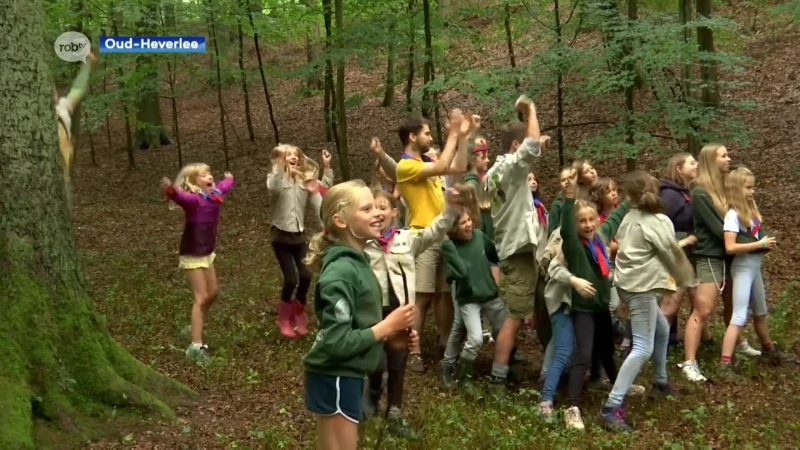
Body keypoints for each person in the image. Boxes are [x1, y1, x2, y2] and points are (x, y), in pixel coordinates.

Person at [302, 180, 418, 450]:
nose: (377, 213)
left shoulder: (359, 263)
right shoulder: (341, 271)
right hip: (335, 376)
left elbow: (357, 327)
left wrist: (391, 339)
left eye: (377, 208)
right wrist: (387, 326)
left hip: (346, 374)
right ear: (340, 221)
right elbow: (337, 341)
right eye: (366, 209)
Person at [362, 187, 461, 436]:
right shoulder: (361, 245)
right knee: (376, 362)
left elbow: (434, 231)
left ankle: (394, 412)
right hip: (374, 312)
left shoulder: (406, 239)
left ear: (395, 212)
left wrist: (450, 208)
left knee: (397, 364)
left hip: (402, 311)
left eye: (383, 207)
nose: (378, 213)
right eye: (372, 208)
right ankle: (372, 394)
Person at [375, 113, 469, 372]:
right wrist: (452, 133)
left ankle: (443, 343)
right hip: (421, 235)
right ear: (412, 137)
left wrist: (461, 136)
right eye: (427, 133)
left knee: (443, 294)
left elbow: (458, 166)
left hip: (443, 234)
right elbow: (441, 168)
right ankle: (413, 350)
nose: (430, 137)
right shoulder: (407, 166)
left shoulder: (426, 160)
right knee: (422, 298)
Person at [599, 171, 693, 431]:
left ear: (629, 196)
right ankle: (611, 408)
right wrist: (686, 276)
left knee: (661, 328)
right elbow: (670, 252)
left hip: (628, 284)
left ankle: (661, 383)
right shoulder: (659, 220)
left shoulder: (629, 217)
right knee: (642, 348)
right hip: (640, 289)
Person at [483, 95, 549, 393]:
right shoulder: (510, 167)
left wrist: (536, 141)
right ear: (514, 147)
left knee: (532, 309)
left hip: (516, 247)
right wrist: (531, 110)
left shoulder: (494, 173)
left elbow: (532, 145)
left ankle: (547, 364)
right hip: (519, 251)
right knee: (515, 316)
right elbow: (530, 147)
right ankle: (498, 377)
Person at [681, 144, 760, 383]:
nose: (729, 159)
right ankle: (689, 362)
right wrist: (757, 243)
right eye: (723, 156)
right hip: (711, 256)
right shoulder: (700, 192)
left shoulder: (726, 188)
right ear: (710, 160)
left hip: (732, 256)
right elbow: (719, 229)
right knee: (703, 308)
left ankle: (738, 343)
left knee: (733, 304)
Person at [558, 168, 629, 430]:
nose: (588, 225)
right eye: (582, 222)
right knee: (584, 354)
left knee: (608, 350)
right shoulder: (574, 246)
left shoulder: (600, 238)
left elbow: (618, 214)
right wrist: (568, 198)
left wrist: (634, 195)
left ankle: (620, 386)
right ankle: (572, 407)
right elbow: (566, 226)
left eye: (591, 220)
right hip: (584, 309)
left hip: (601, 307)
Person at [717, 167, 796, 380]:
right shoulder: (732, 216)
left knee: (760, 311)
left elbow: (753, 239)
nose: (752, 192)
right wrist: (759, 243)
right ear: (736, 189)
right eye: (748, 187)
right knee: (739, 315)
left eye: (753, 187)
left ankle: (768, 350)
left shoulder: (750, 214)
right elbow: (730, 247)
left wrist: (763, 244)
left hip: (755, 268)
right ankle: (724, 364)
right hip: (743, 268)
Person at [159, 164, 235, 361]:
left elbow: (225, 185)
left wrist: (229, 178)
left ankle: (195, 326)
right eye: (203, 175)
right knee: (201, 297)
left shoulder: (215, 194)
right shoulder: (194, 200)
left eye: (209, 173)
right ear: (194, 183)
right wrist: (170, 189)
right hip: (192, 253)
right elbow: (180, 197)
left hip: (207, 252)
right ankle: (195, 347)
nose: (209, 177)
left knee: (213, 293)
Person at [267, 145, 334, 339]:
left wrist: (327, 167)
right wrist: (279, 164)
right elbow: (273, 187)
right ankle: (284, 318)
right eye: (289, 155)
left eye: (296, 155)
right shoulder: (276, 180)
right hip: (281, 236)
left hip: (299, 236)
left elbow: (320, 195)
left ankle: (299, 313)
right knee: (291, 279)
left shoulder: (304, 180)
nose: (293, 158)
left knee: (305, 276)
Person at [439, 209, 508, 389]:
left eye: (469, 220)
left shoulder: (479, 236)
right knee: (475, 338)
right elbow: (460, 270)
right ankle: (462, 374)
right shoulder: (451, 247)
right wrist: (446, 244)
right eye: (463, 223)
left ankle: (508, 364)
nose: (468, 224)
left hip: (489, 294)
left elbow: (494, 256)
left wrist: (497, 277)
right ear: (454, 229)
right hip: (468, 298)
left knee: (506, 329)